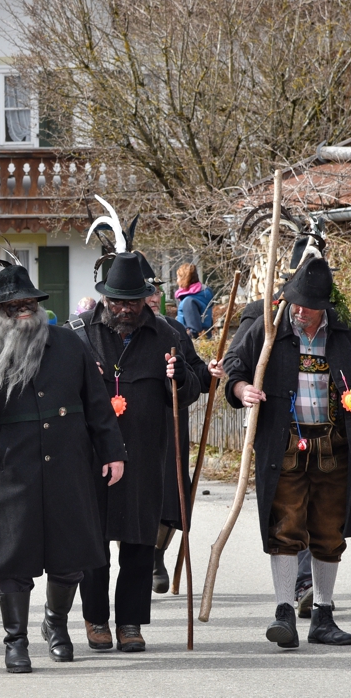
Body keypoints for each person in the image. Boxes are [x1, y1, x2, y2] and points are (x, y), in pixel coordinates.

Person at [0, 266, 126, 671]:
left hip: (68, 465)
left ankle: (56, 625)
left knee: (69, 558)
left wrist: (112, 451)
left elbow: (97, 403)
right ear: (1, 313)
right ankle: (16, 641)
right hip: (9, 471)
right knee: (14, 562)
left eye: (29, 304)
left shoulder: (69, 344)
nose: (23, 312)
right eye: (13, 307)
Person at [226, 257, 351, 649]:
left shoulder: (346, 332)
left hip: (334, 447)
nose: (300, 311)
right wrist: (242, 389)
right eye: (295, 302)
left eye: (309, 305)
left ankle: (323, 615)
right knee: (285, 527)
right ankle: (284, 611)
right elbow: (234, 365)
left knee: (329, 531)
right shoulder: (271, 329)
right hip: (283, 447)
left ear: (325, 305)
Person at [67, 252, 198, 652]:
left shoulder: (169, 335)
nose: (125, 309)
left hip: (145, 454)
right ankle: (95, 619)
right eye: (117, 301)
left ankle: (130, 623)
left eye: (132, 301)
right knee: (95, 543)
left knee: (140, 543)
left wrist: (181, 378)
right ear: (105, 298)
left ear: (145, 298)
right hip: (93, 457)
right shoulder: (79, 333)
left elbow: (192, 391)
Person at [136, 253, 212, 594]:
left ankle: (155, 556)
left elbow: (196, 375)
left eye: (156, 290)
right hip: (128, 430)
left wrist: (205, 374)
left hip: (170, 428)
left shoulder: (176, 328)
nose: (154, 297)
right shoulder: (111, 330)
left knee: (171, 498)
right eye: (146, 291)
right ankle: (134, 558)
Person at [174, 263, 213, 338]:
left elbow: (194, 330)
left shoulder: (189, 301)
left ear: (184, 279)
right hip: (205, 339)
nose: (177, 281)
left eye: (178, 277)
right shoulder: (202, 296)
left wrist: (181, 339)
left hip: (193, 343)